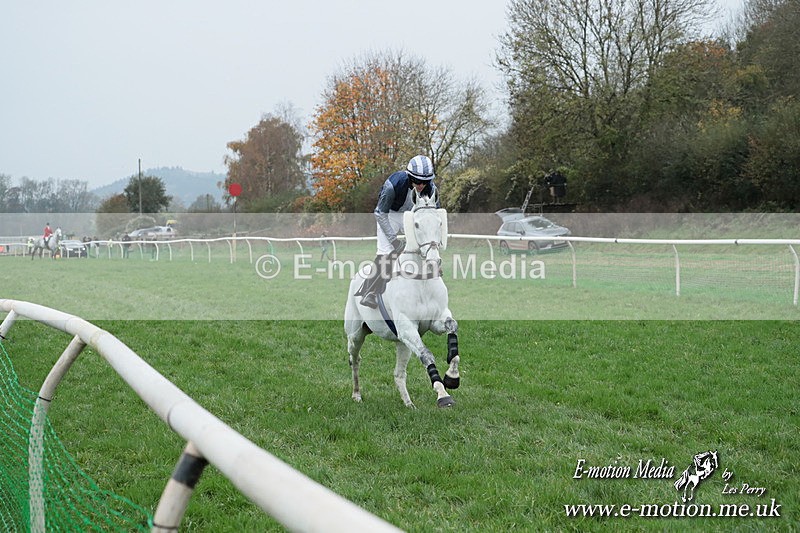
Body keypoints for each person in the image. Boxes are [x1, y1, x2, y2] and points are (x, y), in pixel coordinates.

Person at [357, 155, 438, 308]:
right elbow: (380, 213)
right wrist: (394, 240)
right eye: (417, 181)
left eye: (425, 182)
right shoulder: (392, 185)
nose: (421, 185)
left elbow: (434, 213)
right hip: (389, 215)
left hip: (412, 214)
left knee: (423, 246)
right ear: (410, 176)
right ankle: (370, 291)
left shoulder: (432, 188)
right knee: (386, 252)